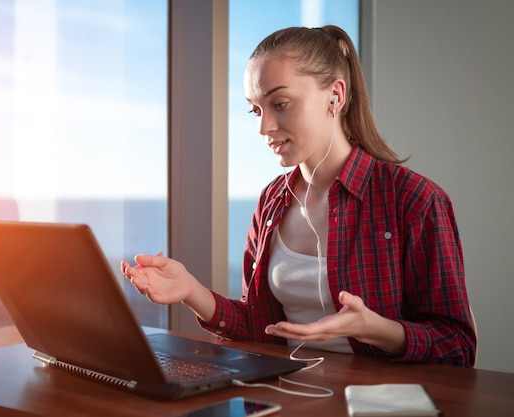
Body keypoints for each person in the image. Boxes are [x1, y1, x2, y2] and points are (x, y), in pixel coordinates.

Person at [122, 25, 477, 367]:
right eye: (256, 110)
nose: (264, 128)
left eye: (280, 103)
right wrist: (190, 290)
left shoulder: (414, 200)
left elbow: (457, 347)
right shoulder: (272, 201)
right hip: (293, 396)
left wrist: (378, 330)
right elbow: (259, 327)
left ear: (335, 96)